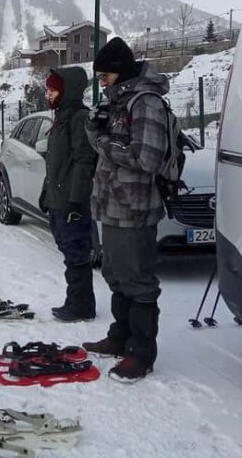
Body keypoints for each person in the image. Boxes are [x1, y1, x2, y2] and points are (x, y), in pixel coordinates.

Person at [82, 37, 169, 382]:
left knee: (138, 281)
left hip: (133, 208)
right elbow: (106, 145)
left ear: (120, 72)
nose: (101, 82)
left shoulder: (146, 103)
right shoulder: (118, 102)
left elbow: (146, 158)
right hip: (112, 205)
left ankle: (142, 352)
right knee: (116, 276)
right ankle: (120, 337)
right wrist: (95, 127)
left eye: (105, 75)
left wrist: (103, 143)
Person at [38, 67, 96, 322]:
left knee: (76, 253)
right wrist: (45, 191)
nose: (48, 95)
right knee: (68, 250)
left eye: (52, 90)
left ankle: (81, 305)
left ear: (66, 91)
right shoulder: (61, 118)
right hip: (58, 198)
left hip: (71, 201)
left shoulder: (79, 119)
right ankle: (75, 300)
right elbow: (56, 162)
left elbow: (83, 162)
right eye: (48, 90)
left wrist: (75, 201)